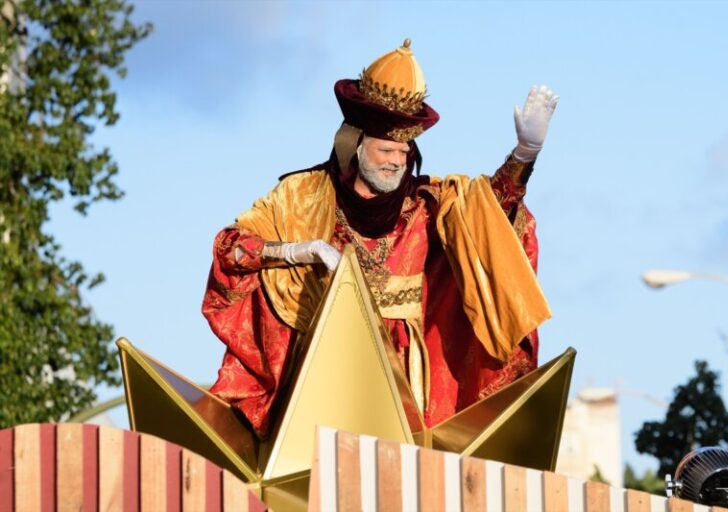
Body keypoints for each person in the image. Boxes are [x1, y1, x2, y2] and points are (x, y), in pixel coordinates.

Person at [202, 40, 558, 439]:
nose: (396, 160)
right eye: (386, 149)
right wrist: (298, 250)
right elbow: (231, 247)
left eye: (404, 152)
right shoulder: (301, 196)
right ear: (355, 146)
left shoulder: (428, 205)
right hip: (327, 363)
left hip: (406, 379)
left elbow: (490, 216)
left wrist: (524, 154)